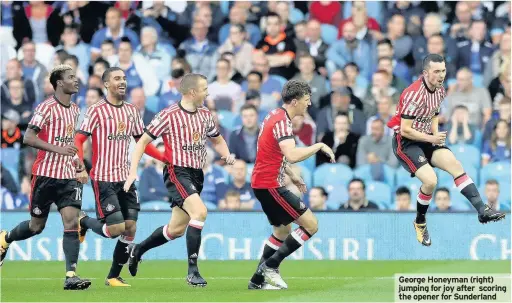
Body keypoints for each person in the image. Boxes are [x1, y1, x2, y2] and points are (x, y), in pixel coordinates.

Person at [124, 73, 236, 287]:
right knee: (200, 212)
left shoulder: (204, 113)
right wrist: (132, 171)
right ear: (192, 92)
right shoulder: (168, 114)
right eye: (204, 88)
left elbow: (217, 138)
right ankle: (193, 271)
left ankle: (137, 249)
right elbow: (142, 142)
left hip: (196, 174)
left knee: (175, 230)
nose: (208, 92)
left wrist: (226, 153)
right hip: (177, 172)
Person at [387, 54, 505, 247]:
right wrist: (432, 138)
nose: (441, 75)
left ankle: (482, 211)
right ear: (425, 73)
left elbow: (434, 113)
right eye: (436, 71)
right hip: (406, 143)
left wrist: (435, 135)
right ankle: (420, 222)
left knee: (455, 164)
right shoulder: (413, 94)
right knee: (431, 180)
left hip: (426, 138)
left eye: (443, 70)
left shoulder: (440, 90)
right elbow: (406, 129)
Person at [0, 65, 91, 290]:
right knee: (35, 227)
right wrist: (59, 150)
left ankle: (71, 275)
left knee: (71, 222)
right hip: (45, 176)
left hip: (68, 176)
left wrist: (77, 159)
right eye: (71, 77)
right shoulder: (46, 107)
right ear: (59, 82)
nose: (76, 80)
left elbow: (68, 142)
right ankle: (5, 239)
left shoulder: (74, 109)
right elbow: (28, 138)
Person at [74, 67, 164, 287]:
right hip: (103, 178)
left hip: (126, 178)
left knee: (130, 228)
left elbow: (141, 141)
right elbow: (78, 139)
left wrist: (164, 157)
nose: (122, 81)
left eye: (123, 78)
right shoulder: (96, 111)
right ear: (106, 84)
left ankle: (113, 276)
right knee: (115, 230)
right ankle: (83, 221)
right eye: (117, 78)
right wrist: (80, 167)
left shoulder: (132, 111)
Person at [248, 80, 335, 290]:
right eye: (306, 100)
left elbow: (270, 152)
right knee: (311, 225)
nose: (309, 104)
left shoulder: (273, 115)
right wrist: (319, 145)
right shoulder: (281, 121)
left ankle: (256, 281)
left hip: (263, 182)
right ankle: (271, 266)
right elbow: (292, 154)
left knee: (282, 231)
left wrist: (291, 175)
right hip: (270, 184)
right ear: (295, 101)